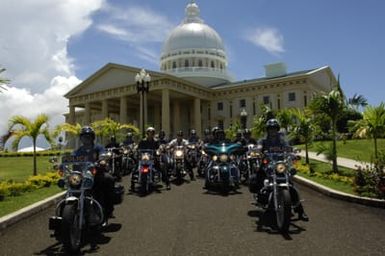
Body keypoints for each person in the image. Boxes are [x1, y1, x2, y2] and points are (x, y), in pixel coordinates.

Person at [258, 119, 309, 221]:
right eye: (270, 129)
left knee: (290, 185)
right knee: (261, 178)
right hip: (269, 165)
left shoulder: (282, 140)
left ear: (277, 129)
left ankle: (300, 211)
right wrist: (258, 149)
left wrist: (293, 153)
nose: (272, 131)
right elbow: (259, 146)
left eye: (274, 129)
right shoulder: (264, 140)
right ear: (268, 130)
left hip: (280, 165)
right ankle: (261, 199)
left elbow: (288, 147)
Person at [72, 126, 115, 225]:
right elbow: (71, 157)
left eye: (88, 136)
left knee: (109, 179)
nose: (86, 138)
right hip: (82, 176)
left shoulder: (98, 147)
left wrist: (103, 160)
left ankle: (107, 211)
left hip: (96, 174)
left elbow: (103, 154)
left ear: (92, 137)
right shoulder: (78, 151)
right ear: (81, 138)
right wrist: (62, 163)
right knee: (72, 188)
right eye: (84, 136)